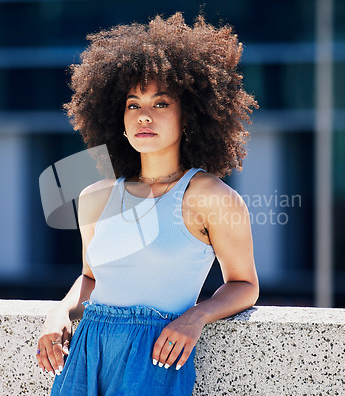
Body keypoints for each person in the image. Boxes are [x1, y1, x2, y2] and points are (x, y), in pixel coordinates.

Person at [36, 12, 259, 396]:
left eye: (160, 103)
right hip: (85, 353)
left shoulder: (210, 195)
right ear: (118, 119)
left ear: (188, 117)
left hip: (156, 355)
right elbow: (90, 278)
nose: (144, 116)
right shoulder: (95, 196)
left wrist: (197, 317)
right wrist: (60, 313)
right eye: (132, 104)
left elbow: (244, 284)